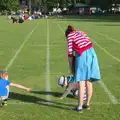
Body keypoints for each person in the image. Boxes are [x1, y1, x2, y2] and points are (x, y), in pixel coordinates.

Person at [65, 25, 100, 112]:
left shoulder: (70, 36)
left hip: (83, 55)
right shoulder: (80, 32)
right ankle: (87, 104)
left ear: (67, 34)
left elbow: (70, 54)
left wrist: (71, 68)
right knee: (89, 81)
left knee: (81, 81)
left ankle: (79, 107)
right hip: (92, 53)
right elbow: (88, 41)